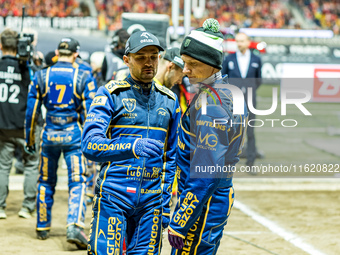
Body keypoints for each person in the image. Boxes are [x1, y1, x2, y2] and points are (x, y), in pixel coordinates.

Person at [81, 30, 181, 255]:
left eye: (154, 56)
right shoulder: (110, 94)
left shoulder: (170, 101)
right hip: (114, 195)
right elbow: (89, 144)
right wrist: (131, 146)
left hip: (151, 203)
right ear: (126, 60)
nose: (149, 63)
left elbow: (171, 157)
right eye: (141, 57)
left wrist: (165, 202)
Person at [167, 19, 248, 254]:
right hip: (212, 197)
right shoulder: (223, 92)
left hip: (204, 202)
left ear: (212, 64)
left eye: (193, 64)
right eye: (185, 63)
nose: (186, 70)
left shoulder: (210, 104)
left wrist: (181, 220)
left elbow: (207, 169)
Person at [25, 37, 97, 248]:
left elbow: (32, 113)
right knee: (78, 181)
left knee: (45, 180)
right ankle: (74, 225)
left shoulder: (41, 75)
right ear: (76, 54)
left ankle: (42, 226)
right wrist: (91, 141)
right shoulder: (83, 76)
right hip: (73, 136)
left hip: (49, 136)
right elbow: (90, 114)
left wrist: (30, 139)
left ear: (57, 52)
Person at [0, 28, 39, 220]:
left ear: (1, 46)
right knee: (31, 165)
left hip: (3, 126)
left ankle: (0, 207)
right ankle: (27, 206)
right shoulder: (28, 68)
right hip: (27, 127)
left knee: (2, 167)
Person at [221, 32, 262, 167]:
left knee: (250, 131)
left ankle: (250, 162)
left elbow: (258, 80)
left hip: (250, 100)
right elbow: (224, 78)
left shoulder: (256, 59)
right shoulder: (229, 59)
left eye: (242, 41)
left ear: (248, 42)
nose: (239, 44)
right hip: (234, 101)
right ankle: (228, 162)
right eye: (237, 41)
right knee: (232, 130)